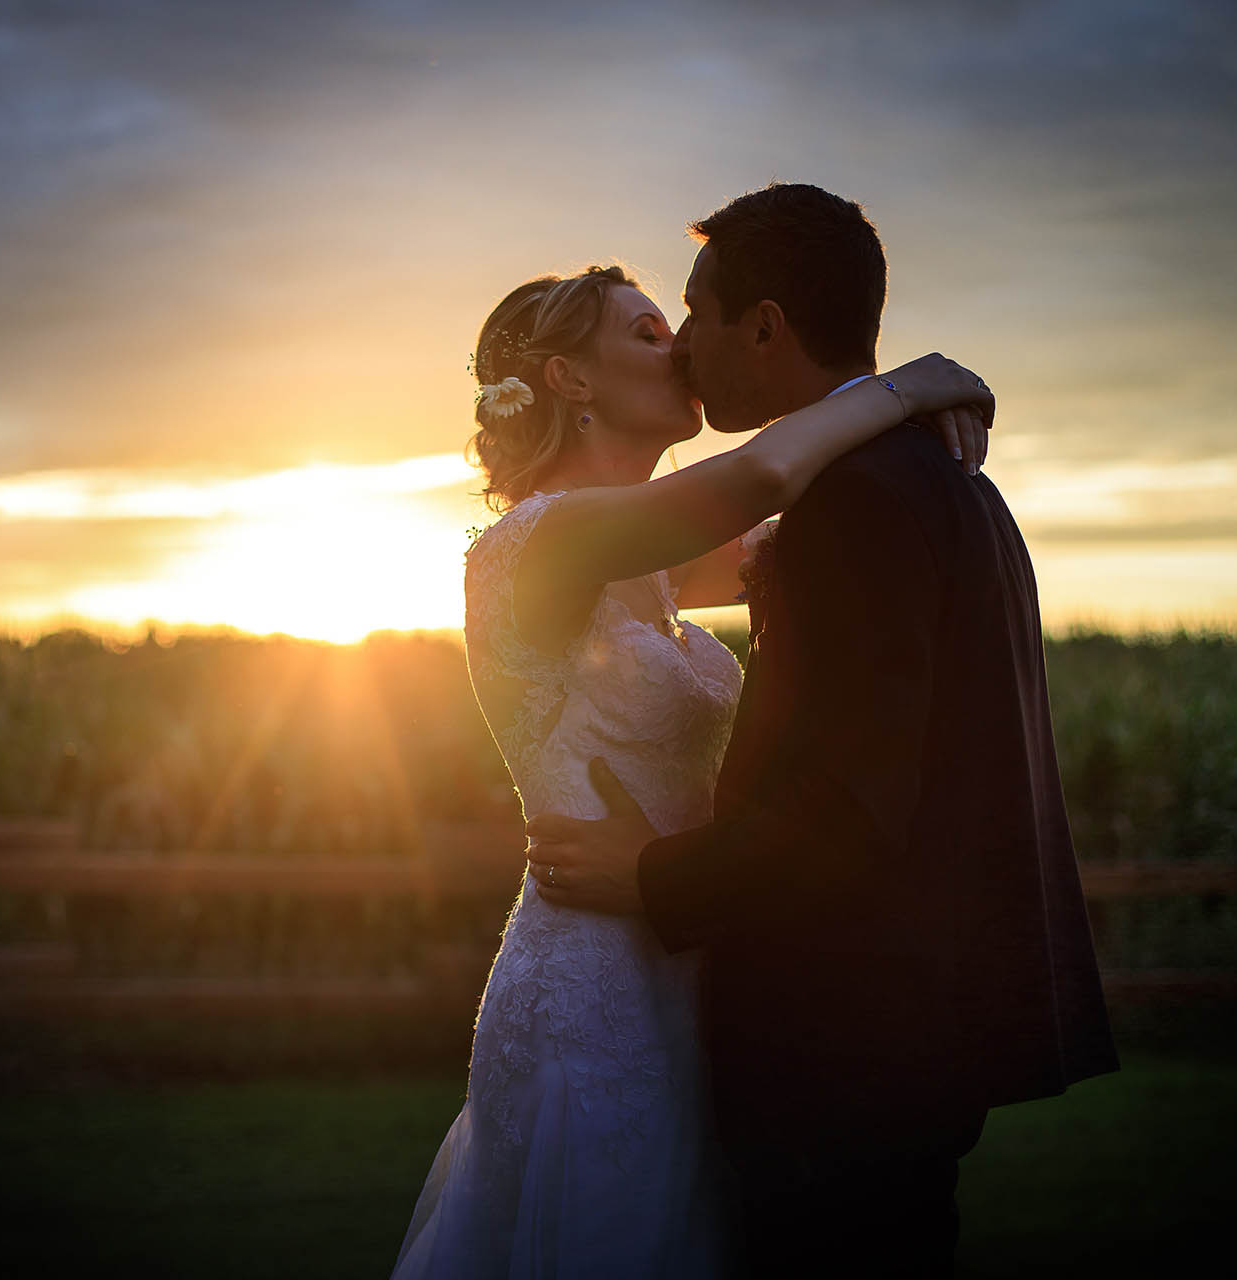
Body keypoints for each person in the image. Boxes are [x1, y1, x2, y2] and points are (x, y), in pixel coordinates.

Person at [526, 184, 1119, 1277]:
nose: (687, 347)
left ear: (764, 324)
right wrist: (907, 393)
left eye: (693, 316)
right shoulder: (934, 482)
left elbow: (843, 808)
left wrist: (655, 874)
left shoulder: (861, 505)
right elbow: (745, 502)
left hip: (846, 1033)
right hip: (891, 1026)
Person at [391, 243, 997, 1279]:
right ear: (569, 380)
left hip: (696, 961)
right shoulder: (537, 545)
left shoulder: (653, 560)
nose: (677, 350)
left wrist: (900, 448)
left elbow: (805, 525)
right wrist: (907, 387)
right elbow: (764, 472)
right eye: (646, 331)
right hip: (594, 991)